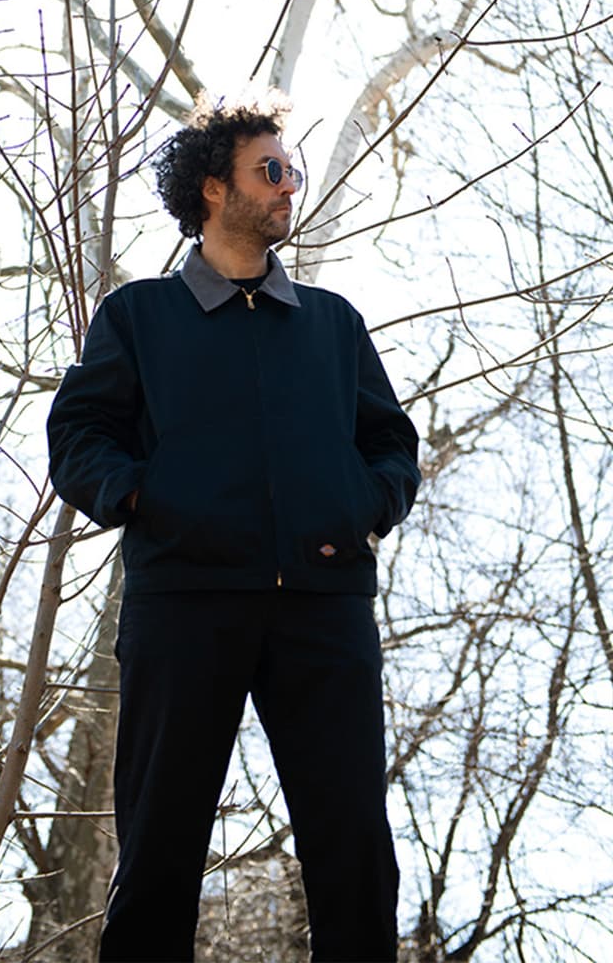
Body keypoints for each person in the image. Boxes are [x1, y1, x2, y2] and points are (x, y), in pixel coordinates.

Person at [46, 95, 421, 963]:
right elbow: (80, 431)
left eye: (291, 170)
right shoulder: (140, 317)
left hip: (324, 607)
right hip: (185, 599)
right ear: (215, 189)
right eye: (272, 170)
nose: (291, 185)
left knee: (356, 855)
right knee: (158, 851)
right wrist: (147, 502)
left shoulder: (332, 324)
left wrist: (360, 507)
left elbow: (390, 443)